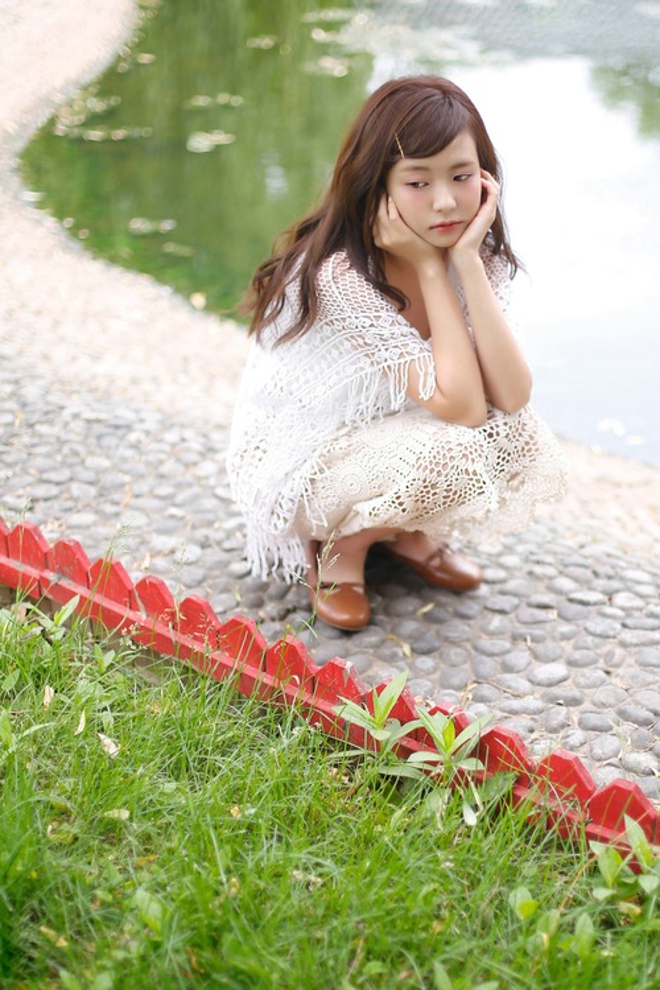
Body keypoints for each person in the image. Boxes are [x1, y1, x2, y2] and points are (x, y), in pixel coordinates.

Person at [227, 75, 567, 631]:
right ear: (377, 186)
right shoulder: (339, 274)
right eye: (417, 181)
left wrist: (465, 264)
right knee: (456, 445)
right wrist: (431, 267)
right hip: (305, 464)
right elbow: (463, 408)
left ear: (485, 178)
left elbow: (512, 393)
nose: (445, 201)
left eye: (461, 176)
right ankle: (341, 547)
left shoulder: (474, 252)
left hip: (391, 437)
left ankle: (401, 530)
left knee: (516, 428)